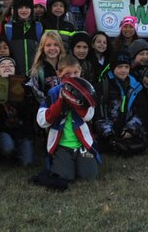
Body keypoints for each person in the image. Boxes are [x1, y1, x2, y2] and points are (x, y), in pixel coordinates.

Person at [33, 56, 100, 189]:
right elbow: (42, 121)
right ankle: (64, 162)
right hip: (62, 144)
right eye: (67, 74)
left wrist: (76, 101)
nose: (72, 77)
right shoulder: (53, 92)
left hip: (82, 144)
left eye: (75, 73)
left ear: (80, 71)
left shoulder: (86, 90)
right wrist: (60, 102)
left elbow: (88, 116)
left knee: (89, 177)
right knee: (65, 177)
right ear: (59, 74)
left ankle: (81, 160)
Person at [95, 52, 147, 156]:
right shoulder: (104, 84)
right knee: (103, 142)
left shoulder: (135, 85)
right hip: (109, 128)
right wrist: (109, 132)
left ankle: (120, 145)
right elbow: (99, 113)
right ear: (113, 67)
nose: (123, 70)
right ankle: (114, 144)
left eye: (126, 67)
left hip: (126, 128)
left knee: (142, 143)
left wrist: (130, 130)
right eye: (119, 67)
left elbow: (140, 111)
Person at [0, 57, 36, 166]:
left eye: (11, 65)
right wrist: (2, 92)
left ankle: (18, 151)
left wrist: (18, 94)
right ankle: (2, 152)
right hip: (3, 130)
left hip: (22, 131)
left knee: (27, 162)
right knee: (7, 147)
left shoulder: (25, 87)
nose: (7, 67)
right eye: (3, 66)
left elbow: (28, 114)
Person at [28, 30, 65, 103]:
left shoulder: (66, 66)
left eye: (56, 45)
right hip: (48, 111)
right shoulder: (39, 70)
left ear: (60, 47)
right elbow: (38, 96)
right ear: (42, 48)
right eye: (48, 45)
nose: (52, 48)